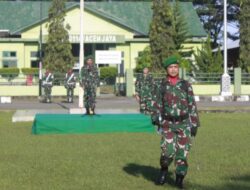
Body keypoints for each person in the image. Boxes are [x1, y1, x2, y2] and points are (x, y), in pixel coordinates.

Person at [151, 56, 200, 189]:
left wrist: (195, 123)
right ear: (167, 69)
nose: (173, 70)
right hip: (167, 124)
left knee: (182, 153)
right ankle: (164, 170)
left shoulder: (185, 85)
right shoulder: (161, 85)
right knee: (167, 152)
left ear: (178, 69)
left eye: (175, 67)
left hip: (183, 124)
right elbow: (156, 104)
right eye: (170, 67)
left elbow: (192, 105)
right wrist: (155, 118)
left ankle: (179, 179)